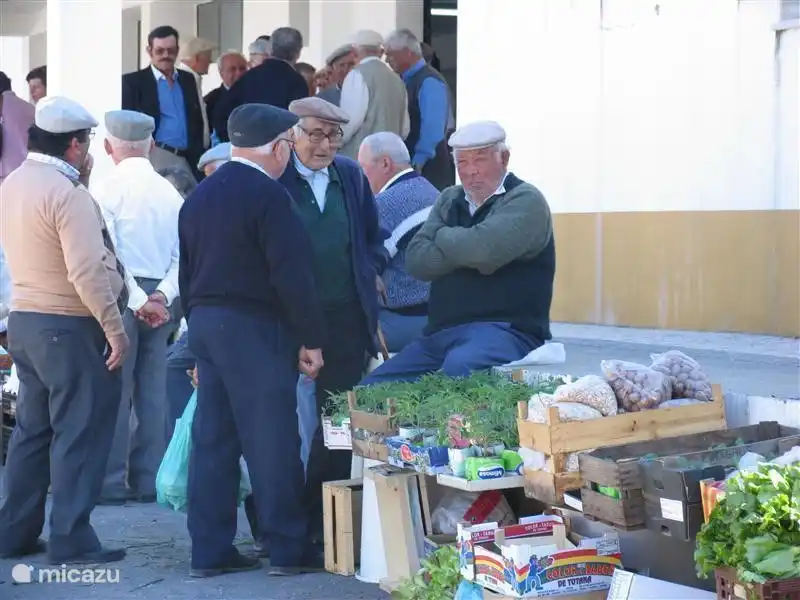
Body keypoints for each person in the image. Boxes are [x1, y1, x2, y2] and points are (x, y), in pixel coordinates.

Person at [179, 103, 326, 577]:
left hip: (206, 322)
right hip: (253, 328)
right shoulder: (269, 196)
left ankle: (209, 550)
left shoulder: (201, 195)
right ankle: (287, 549)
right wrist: (310, 338)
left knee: (214, 439)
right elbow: (292, 275)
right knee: (272, 439)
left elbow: (186, 271)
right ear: (280, 147)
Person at [0, 96, 131, 564]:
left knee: (32, 434)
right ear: (76, 145)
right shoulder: (67, 193)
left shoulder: (13, 182)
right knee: (80, 431)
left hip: (26, 321)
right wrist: (115, 330)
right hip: (69, 325)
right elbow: (87, 272)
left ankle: (13, 532)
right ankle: (71, 536)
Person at [360, 121, 555, 384]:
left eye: (480, 160)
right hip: (440, 333)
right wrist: (467, 246)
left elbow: (484, 252)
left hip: (506, 330)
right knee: (372, 389)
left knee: (458, 369)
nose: (471, 171)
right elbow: (417, 261)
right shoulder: (450, 198)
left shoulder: (525, 200)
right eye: (462, 162)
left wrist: (440, 235)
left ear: (504, 158)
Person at [281, 96, 387, 540]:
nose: (325, 146)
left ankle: (326, 522)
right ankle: (281, 523)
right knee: (282, 426)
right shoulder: (276, 175)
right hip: (285, 321)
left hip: (343, 320)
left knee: (336, 423)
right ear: (292, 134)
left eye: (334, 136)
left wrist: (370, 271)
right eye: (315, 134)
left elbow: (371, 236)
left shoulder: (349, 176)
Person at [93, 110, 182, 505]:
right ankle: (149, 479)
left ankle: (111, 481)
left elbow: (107, 254)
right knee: (153, 390)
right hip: (162, 301)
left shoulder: (104, 189)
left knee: (115, 388)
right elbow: (185, 256)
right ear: (150, 145)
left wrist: (138, 299)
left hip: (120, 297)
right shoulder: (171, 193)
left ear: (109, 146)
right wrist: (161, 295)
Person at [358, 132, 438, 352]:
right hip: (438, 314)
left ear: (385, 163)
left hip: (400, 322)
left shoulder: (384, 204)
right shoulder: (434, 192)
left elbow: (361, 266)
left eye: (362, 167)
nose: (360, 176)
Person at [122, 26, 207, 181]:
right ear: (149, 51)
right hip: (156, 155)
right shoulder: (133, 82)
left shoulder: (187, 79)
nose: (166, 55)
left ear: (177, 50)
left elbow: (197, 120)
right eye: (160, 51)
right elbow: (127, 127)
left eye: (171, 50)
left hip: (189, 158)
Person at [385, 28, 455, 190]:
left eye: (391, 54)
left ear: (408, 53)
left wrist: (419, 161)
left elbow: (433, 128)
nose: (387, 60)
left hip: (429, 169)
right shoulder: (404, 81)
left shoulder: (429, 80)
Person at [214, 27, 309, 142]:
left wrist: (234, 142)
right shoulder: (297, 82)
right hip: (280, 149)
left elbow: (221, 113)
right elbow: (301, 122)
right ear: (298, 53)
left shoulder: (248, 77)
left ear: (270, 49)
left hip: (246, 148)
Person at [339, 30, 409, 159]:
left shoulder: (357, 75)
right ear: (380, 52)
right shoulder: (397, 79)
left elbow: (350, 121)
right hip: (391, 159)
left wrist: (335, 142)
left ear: (354, 52)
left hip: (362, 158)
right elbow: (405, 129)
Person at [178, 37, 218, 150]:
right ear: (196, 58)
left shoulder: (190, 79)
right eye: (208, 57)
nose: (210, 61)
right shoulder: (184, 81)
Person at [204, 52, 248, 138]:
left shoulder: (256, 94)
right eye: (232, 69)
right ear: (221, 73)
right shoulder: (211, 101)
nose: (238, 73)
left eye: (242, 69)